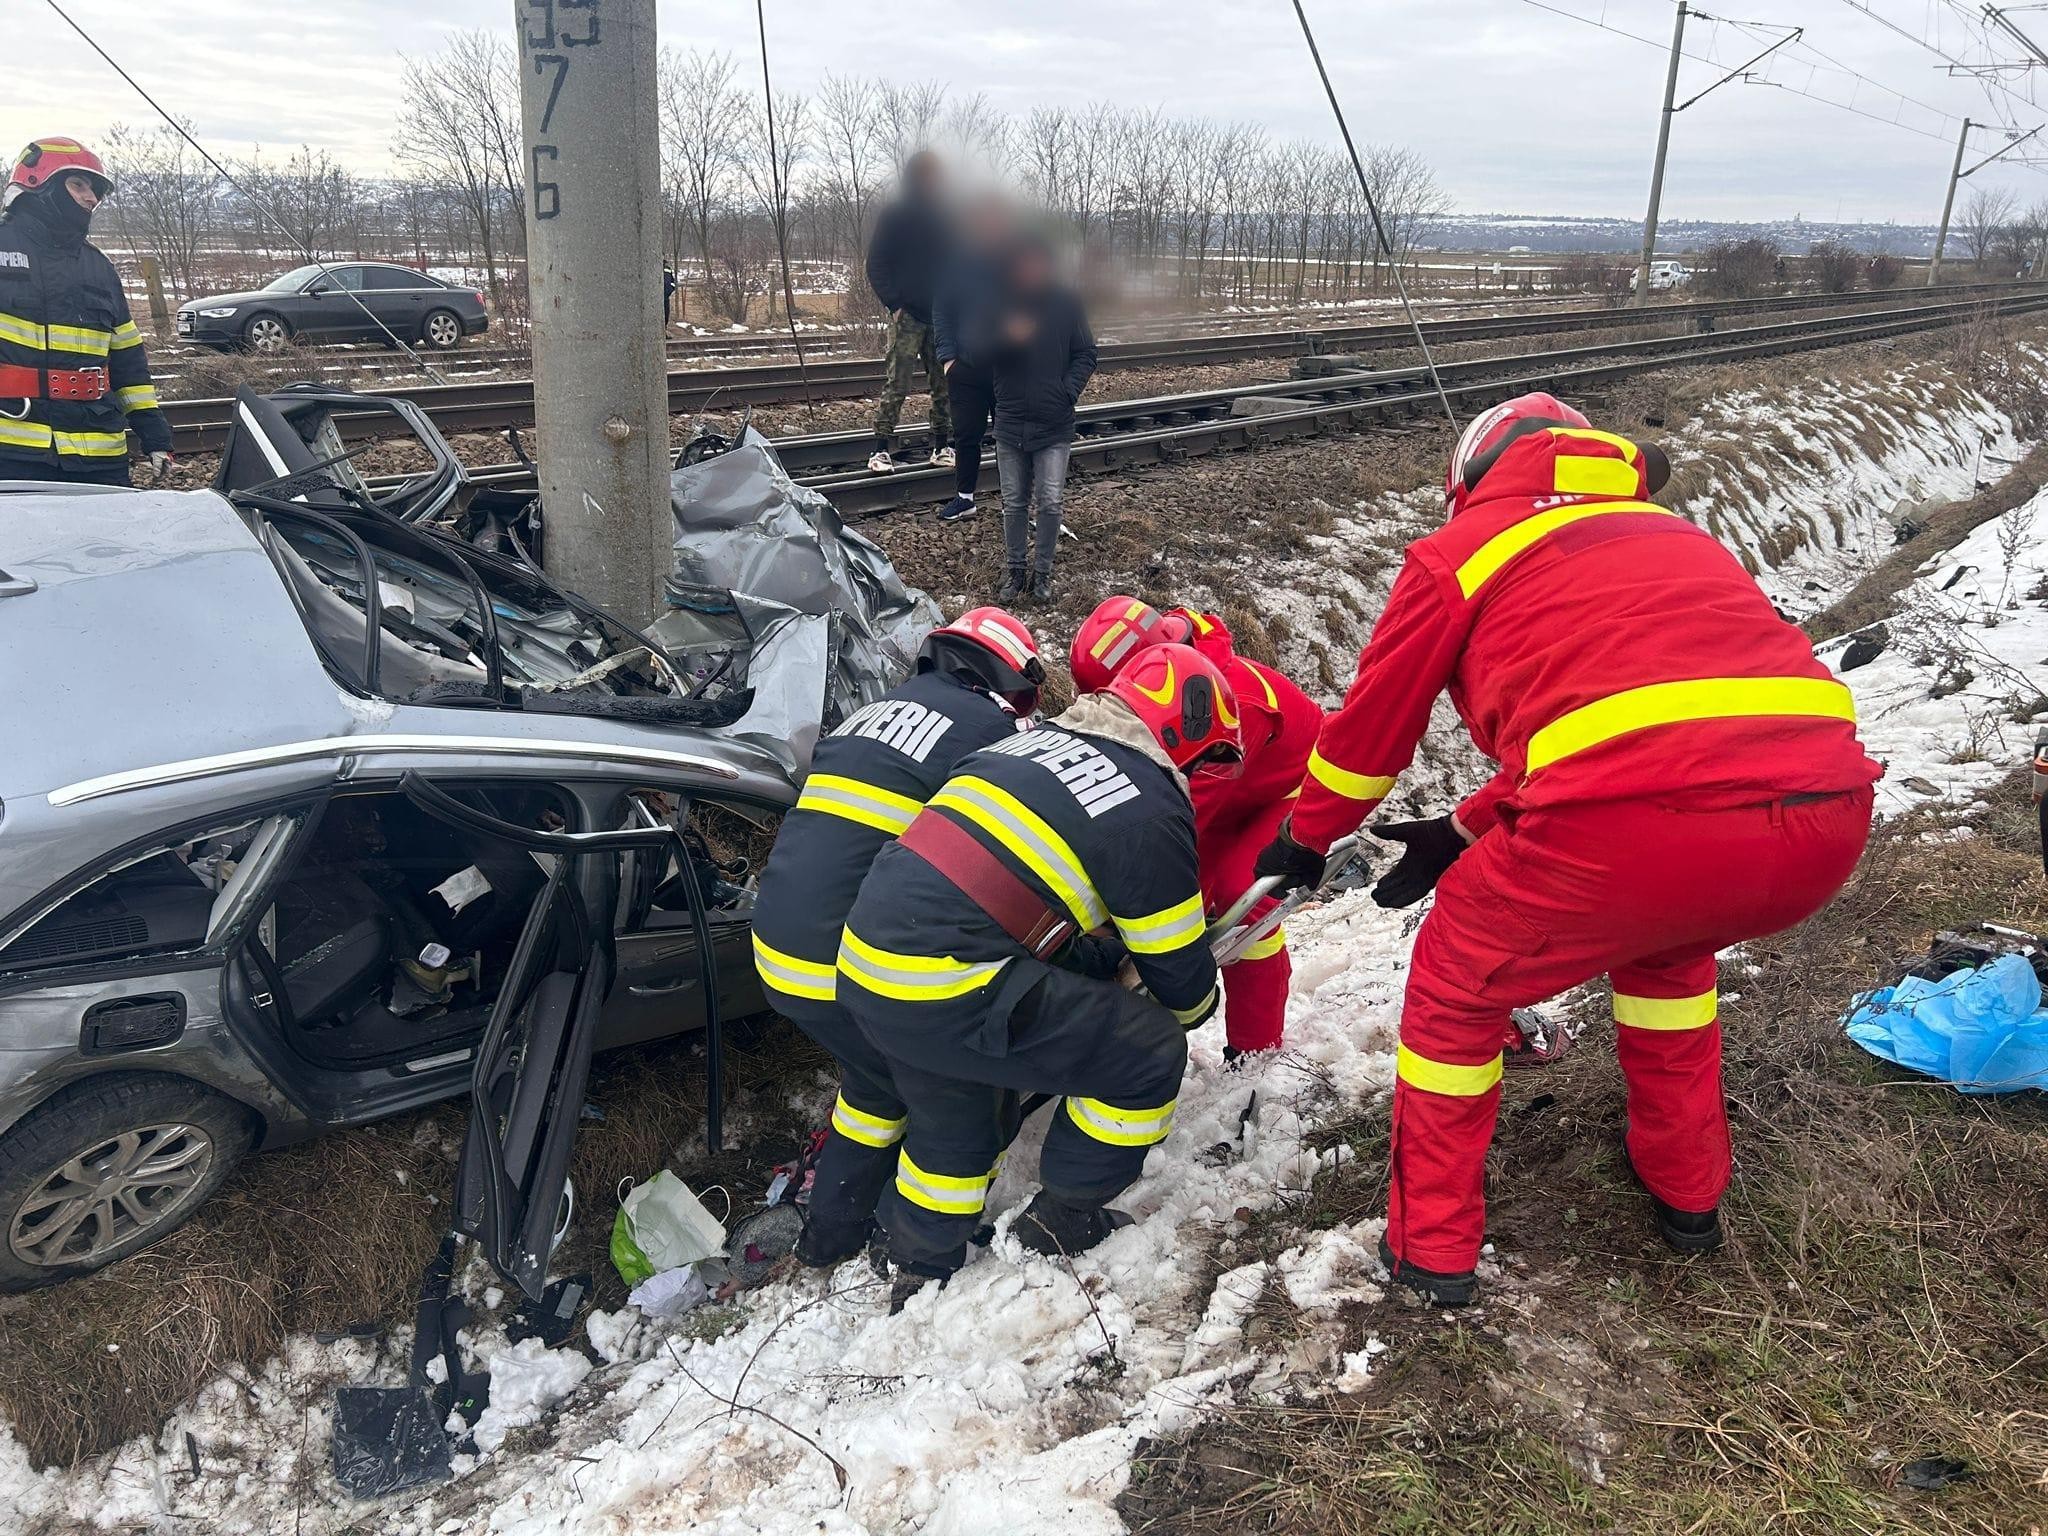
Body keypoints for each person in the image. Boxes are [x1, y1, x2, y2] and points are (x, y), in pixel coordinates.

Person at [1254, 392, 1880, 1307]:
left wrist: (1305, 840)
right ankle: (1689, 1197)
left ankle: (1430, 1251)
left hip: (1634, 828)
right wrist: (1463, 827)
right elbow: (1642, 719)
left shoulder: (1459, 552)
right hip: (1825, 814)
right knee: (1666, 951)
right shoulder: (1680, 538)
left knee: (1458, 991)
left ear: (1468, 480)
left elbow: (1368, 737)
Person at [837, 644, 1240, 1298]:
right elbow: (1182, 987)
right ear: (1183, 733)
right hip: (948, 977)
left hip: (869, 964)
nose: (1195, 774)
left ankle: (919, 1262)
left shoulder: (1017, 747)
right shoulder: (1146, 797)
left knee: (957, 1117)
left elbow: (995, 889)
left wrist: (1098, 959)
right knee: (1149, 1051)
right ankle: (1062, 1217)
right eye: (1205, 759)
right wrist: (1189, 991)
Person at [750, 607, 1045, 1268]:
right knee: (963, 1103)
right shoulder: (991, 729)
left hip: (778, 954)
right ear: (1007, 676)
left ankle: (830, 1233)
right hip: (852, 962)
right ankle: (909, 1246)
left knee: (875, 1084)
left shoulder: (869, 716)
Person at [1070, 599, 1321, 1059]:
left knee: (1238, 897)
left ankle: (1256, 1049)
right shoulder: (1180, 687)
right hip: (1228, 789)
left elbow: (1173, 828)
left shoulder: (1218, 709)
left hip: (1290, 785)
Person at [0, 138, 173, 487]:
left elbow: (128, 364)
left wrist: (155, 436)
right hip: (13, 450)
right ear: (40, 184)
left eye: (94, 189)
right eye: (78, 184)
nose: (91, 197)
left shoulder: (100, 269)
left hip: (98, 454)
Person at [991, 235, 1095, 603]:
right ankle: (1015, 573)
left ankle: (1043, 575)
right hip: (1010, 420)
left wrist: (1066, 391)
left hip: (1054, 423)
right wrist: (1005, 338)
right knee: (1014, 502)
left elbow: (1086, 353)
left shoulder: (1066, 302)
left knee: (1049, 502)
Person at [864, 151, 953, 476]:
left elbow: (956, 265)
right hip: (908, 318)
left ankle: (942, 446)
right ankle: (880, 450)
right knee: (897, 384)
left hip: (941, 316)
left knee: (944, 385)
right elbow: (875, 264)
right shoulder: (895, 215)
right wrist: (894, 305)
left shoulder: (945, 215)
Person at [930, 195, 1016, 524]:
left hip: (1007, 368)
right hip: (965, 368)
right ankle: (965, 499)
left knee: (1011, 437)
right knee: (966, 435)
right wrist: (948, 357)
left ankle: (1016, 503)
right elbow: (942, 310)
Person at [662, 259, 677, 325]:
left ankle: (664, 331)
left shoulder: (667, 269)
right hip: (655, 297)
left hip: (665, 296)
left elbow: (672, 281)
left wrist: (669, 290)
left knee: (666, 315)